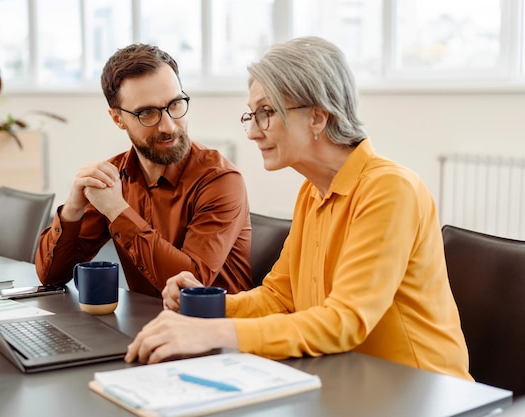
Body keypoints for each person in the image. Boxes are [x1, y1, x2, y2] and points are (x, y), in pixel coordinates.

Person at [124, 36, 473, 381]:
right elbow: (280, 297)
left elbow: (344, 321)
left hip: (424, 391)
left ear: (318, 117)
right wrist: (204, 306)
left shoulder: (390, 189)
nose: (253, 133)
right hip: (347, 380)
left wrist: (215, 332)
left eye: (266, 112)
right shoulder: (313, 192)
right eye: (252, 115)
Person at [35, 43, 252, 297]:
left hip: (215, 328)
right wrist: (73, 209)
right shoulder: (116, 176)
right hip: (146, 326)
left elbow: (190, 285)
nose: (169, 126)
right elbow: (51, 276)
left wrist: (117, 210)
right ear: (117, 118)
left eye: (175, 104)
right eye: (147, 113)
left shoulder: (220, 180)